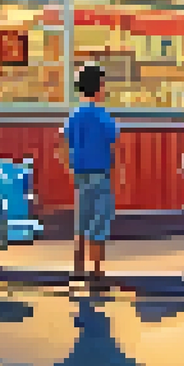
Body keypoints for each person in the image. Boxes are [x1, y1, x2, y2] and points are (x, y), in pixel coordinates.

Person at [57, 65, 119, 287]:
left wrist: (70, 166)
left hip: (81, 174)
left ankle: (78, 268)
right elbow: (114, 146)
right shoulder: (103, 116)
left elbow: (63, 143)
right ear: (98, 88)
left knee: (81, 221)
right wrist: (117, 174)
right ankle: (96, 271)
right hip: (100, 173)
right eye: (103, 85)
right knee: (99, 222)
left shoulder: (76, 115)